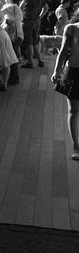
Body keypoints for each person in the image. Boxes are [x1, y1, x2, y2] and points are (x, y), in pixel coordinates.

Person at [51, 11, 79, 161]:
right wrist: (57, 71)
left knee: (74, 110)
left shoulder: (72, 28)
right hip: (73, 72)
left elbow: (63, 53)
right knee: (74, 110)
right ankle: (76, 146)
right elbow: (62, 52)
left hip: (74, 71)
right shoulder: (71, 28)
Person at [19, 0, 49, 68]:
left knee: (28, 43)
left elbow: (20, 8)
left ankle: (30, 62)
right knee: (35, 42)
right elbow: (46, 7)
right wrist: (40, 16)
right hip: (36, 22)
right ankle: (40, 61)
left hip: (27, 22)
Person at [1, 0, 24, 86]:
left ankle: (14, 78)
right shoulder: (16, 7)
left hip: (13, 35)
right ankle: (13, 78)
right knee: (13, 56)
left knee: (12, 57)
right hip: (18, 34)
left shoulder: (10, 6)